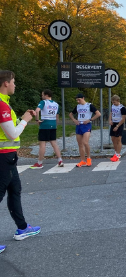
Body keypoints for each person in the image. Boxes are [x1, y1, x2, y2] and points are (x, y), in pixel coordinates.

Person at [0, 72, 40, 250]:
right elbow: (12, 133)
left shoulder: (5, 102)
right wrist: (25, 120)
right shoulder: (1, 104)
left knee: (15, 190)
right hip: (3, 157)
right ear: (6, 83)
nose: (15, 85)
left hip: (8, 157)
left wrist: (23, 118)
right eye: (13, 82)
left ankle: (22, 228)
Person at [32, 91, 59, 168]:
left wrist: (37, 120)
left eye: (42, 95)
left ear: (46, 95)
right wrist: (56, 125)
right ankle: (60, 160)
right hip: (53, 124)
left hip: (45, 124)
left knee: (42, 144)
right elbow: (57, 116)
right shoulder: (56, 104)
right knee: (54, 143)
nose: (42, 96)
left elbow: (37, 110)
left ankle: (40, 162)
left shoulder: (43, 102)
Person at [69, 93, 95, 167]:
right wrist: (74, 120)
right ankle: (82, 160)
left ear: (83, 98)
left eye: (79, 100)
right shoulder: (78, 106)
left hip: (86, 125)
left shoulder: (89, 105)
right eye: (77, 100)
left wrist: (90, 119)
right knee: (80, 144)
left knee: (85, 142)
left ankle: (88, 158)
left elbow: (98, 114)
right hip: (79, 125)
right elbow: (70, 114)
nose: (78, 101)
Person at [104, 94, 124, 161]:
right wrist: (109, 120)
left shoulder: (122, 108)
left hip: (119, 123)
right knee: (113, 138)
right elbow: (111, 113)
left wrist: (117, 126)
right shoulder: (112, 106)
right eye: (112, 102)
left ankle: (118, 154)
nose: (113, 103)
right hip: (113, 123)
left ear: (118, 101)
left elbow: (123, 118)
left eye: (114, 102)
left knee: (118, 139)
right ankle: (115, 152)